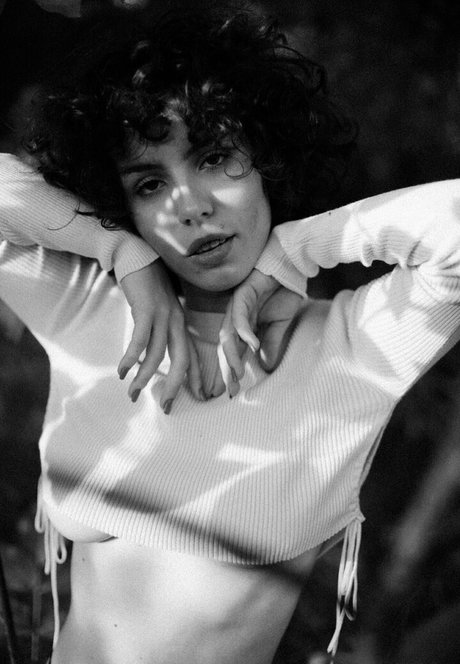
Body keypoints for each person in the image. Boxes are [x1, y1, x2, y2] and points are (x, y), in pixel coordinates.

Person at [1, 4, 460, 663]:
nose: (190, 206)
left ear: (269, 158)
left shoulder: (354, 351)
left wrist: (297, 252)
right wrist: (116, 251)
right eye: (149, 183)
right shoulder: (87, 311)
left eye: (215, 157)